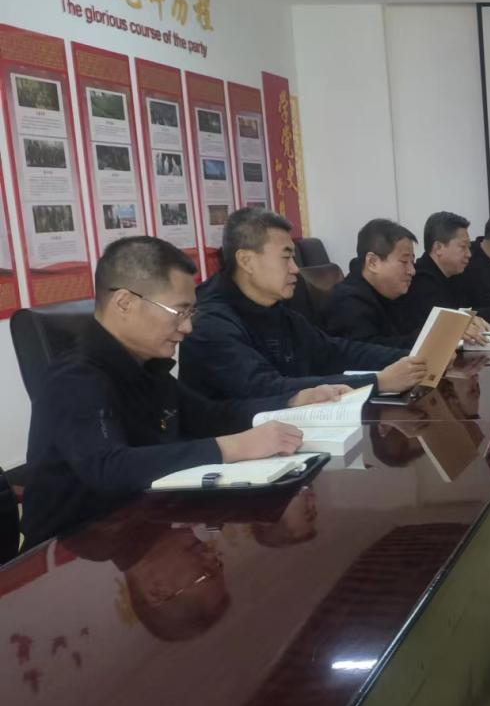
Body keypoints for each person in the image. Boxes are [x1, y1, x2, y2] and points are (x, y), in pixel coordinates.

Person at [21, 236, 338, 548]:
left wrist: (292, 401)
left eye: (191, 313)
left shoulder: (145, 365)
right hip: (72, 549)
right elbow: (109, 467)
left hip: (146, 522)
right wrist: (233, 446)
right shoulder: (74, 377)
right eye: (179, 312)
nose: (187, 327)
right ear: (125, 303)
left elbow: (210, 415)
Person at [181, 208, 427, 399]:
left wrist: (414, 358)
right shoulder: (210, 322)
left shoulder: (276, 309)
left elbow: (332, 351)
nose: (295, 269)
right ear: (246, 261)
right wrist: (379, 382)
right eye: (286, 257)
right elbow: (267, 388)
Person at [392, 210, 490, 337]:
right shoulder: (421, 281)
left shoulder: (456, 275)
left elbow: (478, 302)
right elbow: (445, 323)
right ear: (438, 248)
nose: (469, 254)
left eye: (469, 247)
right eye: (463, 247)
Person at [323, 218, 423, 348]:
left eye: (412, 262)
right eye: (404, 262)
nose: (412, 271)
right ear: (372, 262)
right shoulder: (347, 302)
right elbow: (369, 352)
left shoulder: (397, 292)